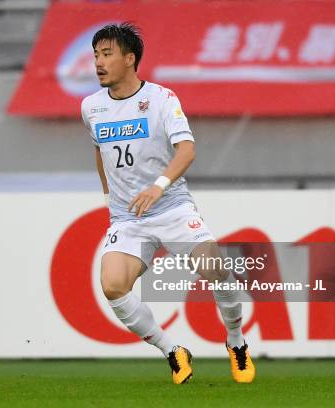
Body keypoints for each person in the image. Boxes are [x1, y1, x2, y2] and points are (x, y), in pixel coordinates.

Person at [80, 22, 255, 384]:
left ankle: (236, 343)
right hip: (128, 219)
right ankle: (172, 351)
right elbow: (100, 151)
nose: (98, 62)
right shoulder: (91, 107)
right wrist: (109, 198)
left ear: (130, 59)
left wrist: (158, 187)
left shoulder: (162, 99)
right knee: (112, 285)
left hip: (172, 207)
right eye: (96, 55)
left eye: (107, 54)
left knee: (215, 269)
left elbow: (187, 150)